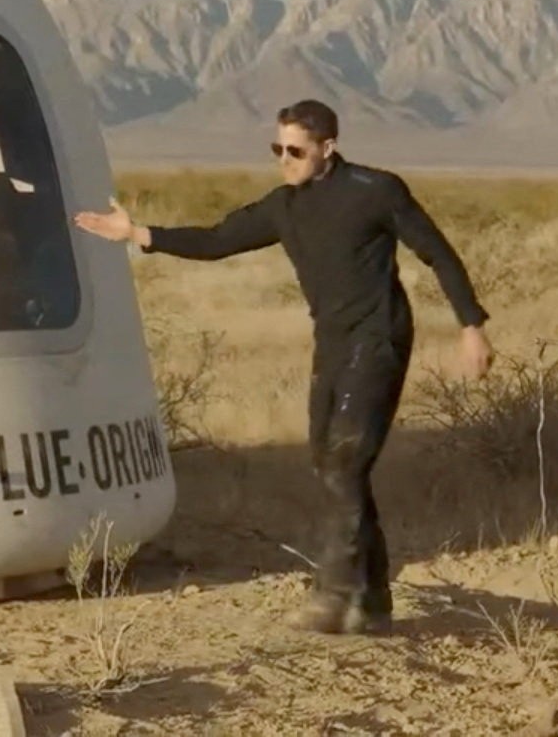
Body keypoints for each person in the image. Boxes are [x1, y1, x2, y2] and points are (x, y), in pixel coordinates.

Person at [72, 99, 493, 635]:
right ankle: (374, 599)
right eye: (278, 148)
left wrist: (471, 324)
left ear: (328, 148)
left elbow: (439, 253)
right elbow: (217, 240)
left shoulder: (376, 191)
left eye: (295, 151)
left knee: (344, 463)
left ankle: (333, 594)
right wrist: (138, 233)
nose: (283, 160)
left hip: (379, 339)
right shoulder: (284, 206)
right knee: (330, 464)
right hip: (333, 344)